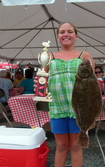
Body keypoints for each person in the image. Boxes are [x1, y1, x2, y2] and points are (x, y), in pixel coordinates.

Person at [35, 22, 94, 167]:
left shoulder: (84, 55)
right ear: (57, 36)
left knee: (76, 146)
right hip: (57, 108)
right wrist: (39, 86)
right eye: (62, 32)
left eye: (69, 31)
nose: (66, 34)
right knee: (61, 146)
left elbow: (92, 84)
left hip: (79, 110)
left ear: (76, 36)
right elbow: (42, 78)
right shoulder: (49, 56)